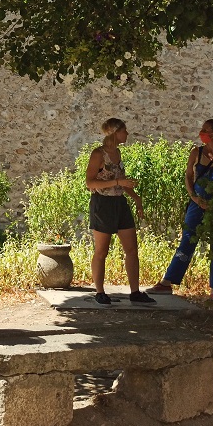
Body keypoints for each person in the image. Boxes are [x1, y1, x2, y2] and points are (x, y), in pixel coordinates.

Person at [150, 119, 213, 300]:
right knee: (188, 239)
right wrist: (194, 197)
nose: (201, 132)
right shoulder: (196, 153)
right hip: (197, 203)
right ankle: (168, 282)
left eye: (205, 130)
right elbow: (188, 177)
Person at [84, 118, 154, 305]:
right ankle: (99, 292)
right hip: (102, 204)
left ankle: (135, 292)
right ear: (115, 132)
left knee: (132, 249)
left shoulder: (118, 153)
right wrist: (117, 183)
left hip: (119, 203)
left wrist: (136, 198)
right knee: (101, 251)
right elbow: (90, 183)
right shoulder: (98, 154)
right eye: (124, 130)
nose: (127, 134)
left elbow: (121, 180)